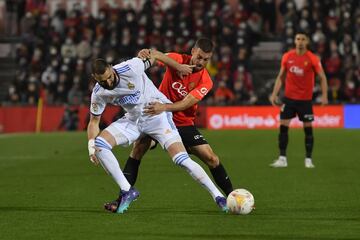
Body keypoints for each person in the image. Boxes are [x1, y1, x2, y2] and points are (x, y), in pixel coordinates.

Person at [87, 50, 228, 214]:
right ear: (95, 78)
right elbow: (94, 121)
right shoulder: (99, 92)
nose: (109, 82)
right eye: (103, 81)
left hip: (157, 115)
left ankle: (218, 196)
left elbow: (154, 55)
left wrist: (179, 67)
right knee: (100, 145)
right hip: (134, 120)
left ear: (111, 68)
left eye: (110, 77)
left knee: (181, 159)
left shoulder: (130, 68)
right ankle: (127, 191)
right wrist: (90, 146)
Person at [269, 31, 328, 168]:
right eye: (298, 39)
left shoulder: (312, 58)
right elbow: (281, 76)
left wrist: (325, 95)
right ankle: (282, 158)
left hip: (305, 100)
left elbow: (322, 77)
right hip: (288, 99)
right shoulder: (287, 56)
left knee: (308, 129)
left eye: (303, 39)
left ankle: (308, 159)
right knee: (283, 127)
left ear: (307, 42)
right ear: (295, 41)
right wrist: (274, 93)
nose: (300, 41)